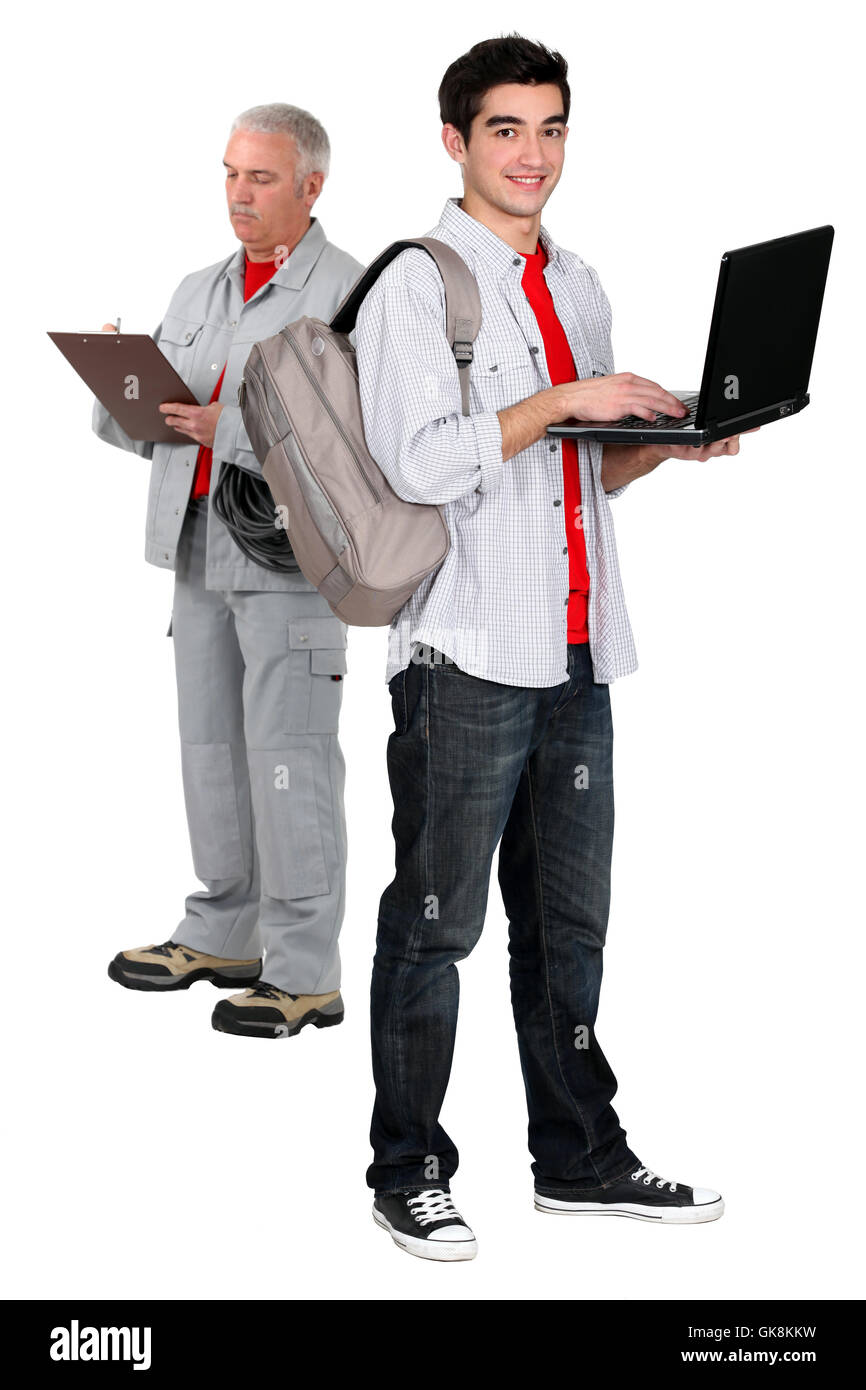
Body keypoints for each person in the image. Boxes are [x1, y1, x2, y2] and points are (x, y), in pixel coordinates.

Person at [355, 35, 751, 1260]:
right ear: (454, 141)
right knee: (434, 925)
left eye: (550, 129)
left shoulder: (576, 282)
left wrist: (673, 443)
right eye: (505, 131)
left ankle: (577, 1156)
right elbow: (421, 461)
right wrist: (567, 400)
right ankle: (405, 1168)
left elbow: (582, 476)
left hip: (578, 652)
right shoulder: (416, 284)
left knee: (568, 929)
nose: (532, 155)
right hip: (465, 654)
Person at [93, 105, 362, 1039]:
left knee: (289, 764)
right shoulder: (199, 287)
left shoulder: (348, 293)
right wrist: (120, 387)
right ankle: (223, 930)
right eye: (230, 175)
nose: (238, 196)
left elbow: (359, 446)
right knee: (210, 752)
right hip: (198, 546)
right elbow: (155, 430)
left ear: (311, 187)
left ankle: (302, 971)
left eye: (260, 178)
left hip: (290, 560)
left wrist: (229, 428)